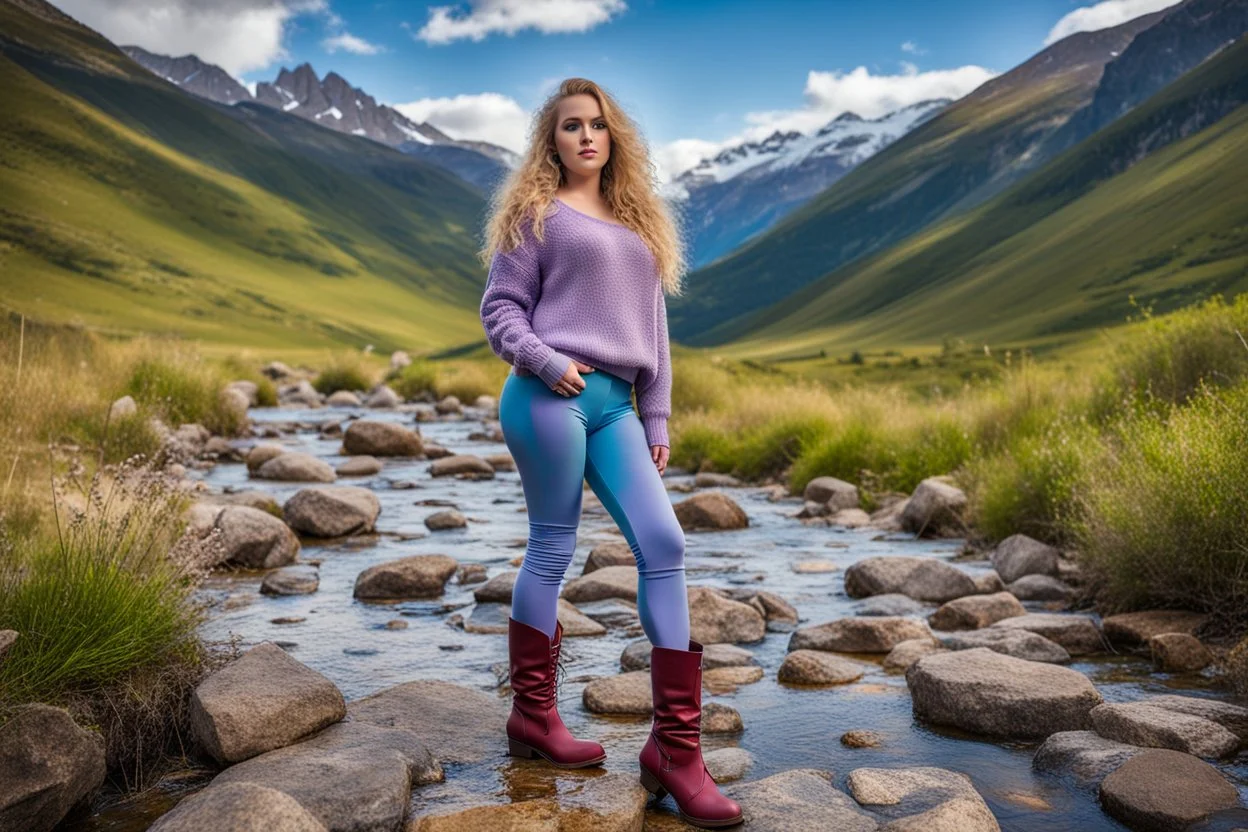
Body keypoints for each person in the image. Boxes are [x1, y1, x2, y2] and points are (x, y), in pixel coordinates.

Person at [477, 78, 743, 829]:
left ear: (614, 135)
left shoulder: (638, 220)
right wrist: (542, 359)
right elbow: (499, 309)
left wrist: (656, 415)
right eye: (570, 127)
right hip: (547, 394)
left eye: (597, 124)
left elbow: (653, 330)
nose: (586, 136)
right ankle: (534, 720)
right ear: (551, 141)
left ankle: (673, 753)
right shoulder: (537, 214)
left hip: (617, 405)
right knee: (553, 548)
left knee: (664, 542)